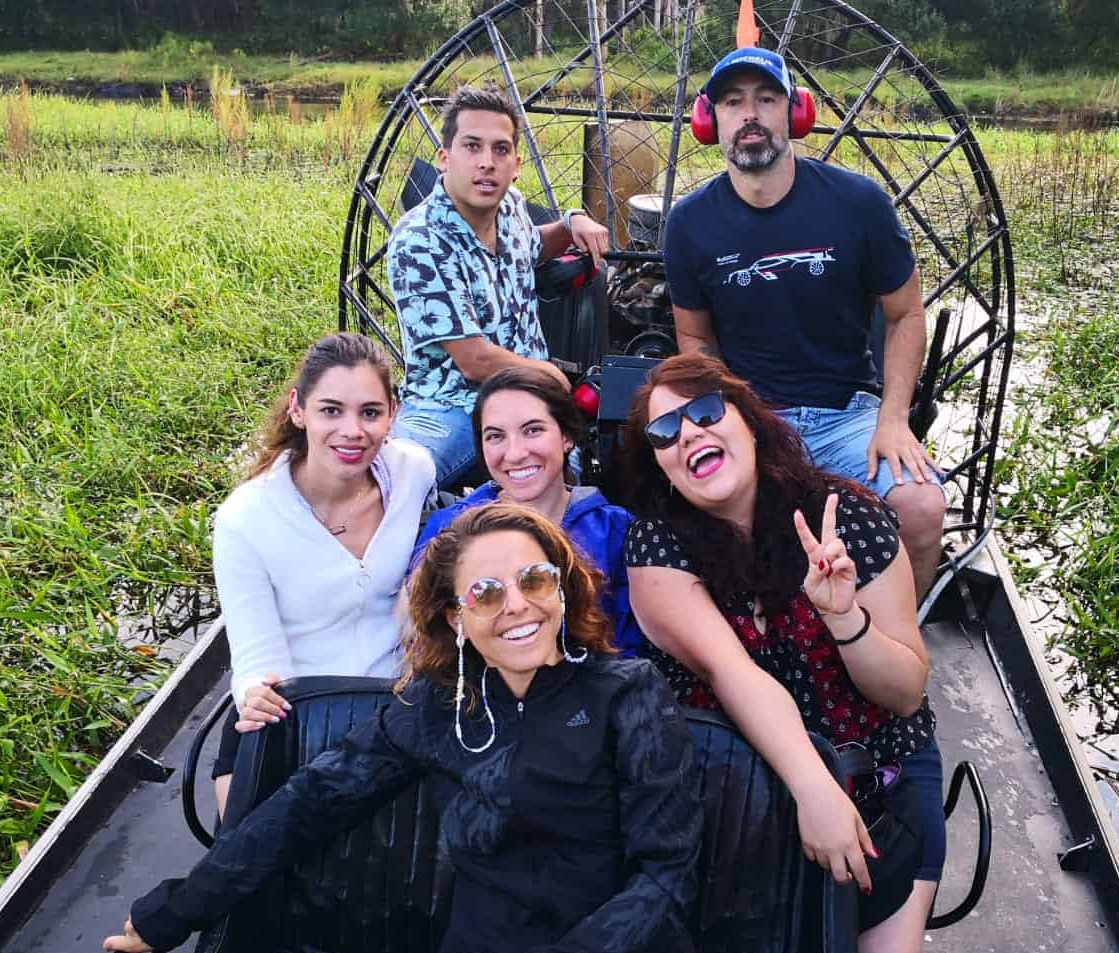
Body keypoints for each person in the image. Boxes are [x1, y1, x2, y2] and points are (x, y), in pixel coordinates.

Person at [106, 504, 716, 953]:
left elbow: (664, 878)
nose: (517, 605)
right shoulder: (434, 707)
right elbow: (310, 803)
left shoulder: (627, 692)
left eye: (534, 578)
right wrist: (179, 908)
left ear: (561, 586)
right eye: (485, 593)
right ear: (456, 617)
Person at [621, 353, 940, 953]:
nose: (687, 435)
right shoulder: (657, 543)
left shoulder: (846, 516)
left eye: (704, 412)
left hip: (880, 761)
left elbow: (907, 688)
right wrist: (811, 788)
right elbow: (732, 671)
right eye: (663, 433)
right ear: (660, 465)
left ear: (747, 420)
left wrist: (845, 619)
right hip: (739, 771)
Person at [663, 46, 945, 602]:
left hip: (849, 416)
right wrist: (729, 420)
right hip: (754, 418)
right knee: (698, 520)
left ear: (795, 114)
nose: (750, 115)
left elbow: (906, 313)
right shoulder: (689, 224)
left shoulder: (859, 203)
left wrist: (893, 420)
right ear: (708, 119)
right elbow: (694, 339)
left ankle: (897, 652)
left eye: (766, 100)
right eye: (733, 102)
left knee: (920, 506)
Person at [207, 333, 435, 816]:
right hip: (295, 709)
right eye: (331, 410)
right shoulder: (245, 519)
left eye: (370, 413)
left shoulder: (413, 471)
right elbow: (256, 657)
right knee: (255, 855)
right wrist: (257, 697)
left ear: (393, 413)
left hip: (394, 701)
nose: (352, 431)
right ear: (298, 409)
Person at [389, 83, 611, 487]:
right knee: (399, 478)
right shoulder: (418, 240)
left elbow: (531, 246)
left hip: (527, 398)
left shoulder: (509, 208)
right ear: (445, 158)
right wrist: (548, 375)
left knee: (571, 488)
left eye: (500, 150)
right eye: (472, 147)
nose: (486, 163)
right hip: (448, 404)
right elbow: (473, 360)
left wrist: (570, 223)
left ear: (516, 163)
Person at [410, 366, 641, 655]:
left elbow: (631, 651)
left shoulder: (615, 531)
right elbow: (425, 642)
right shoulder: (448, 529)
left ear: (567, 436)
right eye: (495, 436)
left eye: (533, 430)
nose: (516, 453)